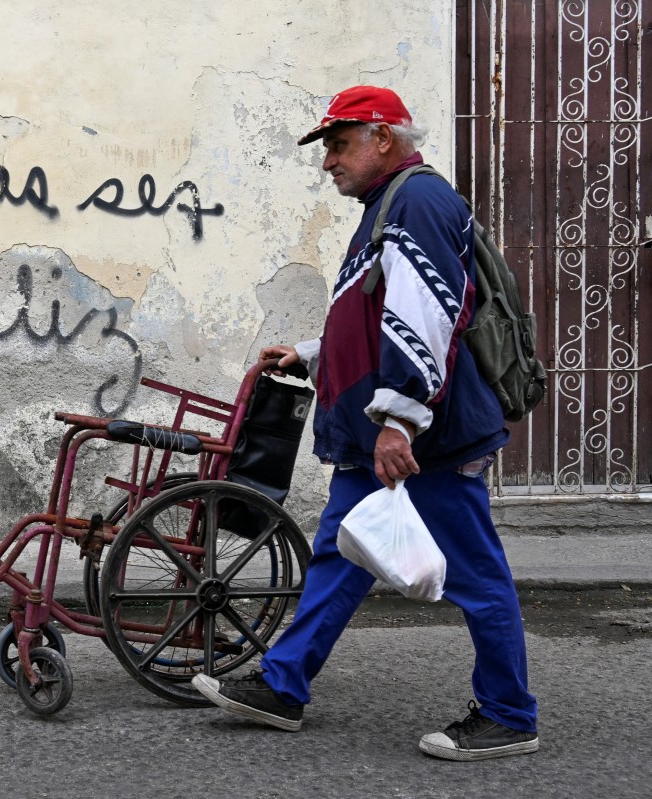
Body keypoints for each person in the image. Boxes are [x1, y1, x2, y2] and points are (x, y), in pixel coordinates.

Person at [192, 85, 539, 761]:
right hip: (380, 435)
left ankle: (509, 713)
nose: (328, 161)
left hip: (428, 439)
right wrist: (312, 354)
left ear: (382, 137)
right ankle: (282, 684)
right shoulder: (390, 203)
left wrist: (399, 422)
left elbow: (426, 316)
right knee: (341, 554)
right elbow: (376, 314)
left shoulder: (418, 201)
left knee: (474, 573)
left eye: (339, 144)